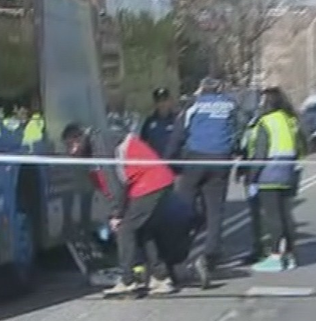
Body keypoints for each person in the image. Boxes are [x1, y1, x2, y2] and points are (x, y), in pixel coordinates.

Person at [63, 122, 197, 296]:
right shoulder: (94, 150)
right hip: (150, 182)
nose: (71, 152)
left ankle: (128, 280)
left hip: (149, 182)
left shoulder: (100, 143)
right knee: (143, 231)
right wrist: (112, 212)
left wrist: (116, 215)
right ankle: (161, 277)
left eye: (72, 145)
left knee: (125, 229)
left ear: (79, 138)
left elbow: (113, 183)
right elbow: (107, 189)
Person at [167, 77, 242, 284]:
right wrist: (236, 152)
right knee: (215, 212)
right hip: (220, 160)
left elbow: (178, 134)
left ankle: (177, 257)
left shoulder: (193, 105)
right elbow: (239, 131)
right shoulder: (230, 104)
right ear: (219, 89)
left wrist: (170, 163)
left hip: (195, 158)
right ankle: (209, 257)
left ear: (202, 89)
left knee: (183, 209)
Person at [244, 86, 304, 272]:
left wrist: (253, 178)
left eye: (262, 101)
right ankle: (290, 255)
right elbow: (302, 146)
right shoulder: (290, 120)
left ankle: (276, 256)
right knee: (286, 216)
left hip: (268, 175)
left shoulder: (266, 122)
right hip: (288, 172)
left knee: (272, 217)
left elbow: (260, 152)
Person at [140, 87, 180, 161]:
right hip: (155, 162)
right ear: (155, 103)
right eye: (159, 101)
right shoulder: (150, 121)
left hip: (174, 162)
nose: (162, 104)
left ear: (170, 101)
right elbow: (143, 142)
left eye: (165, 100)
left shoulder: (177, 120)